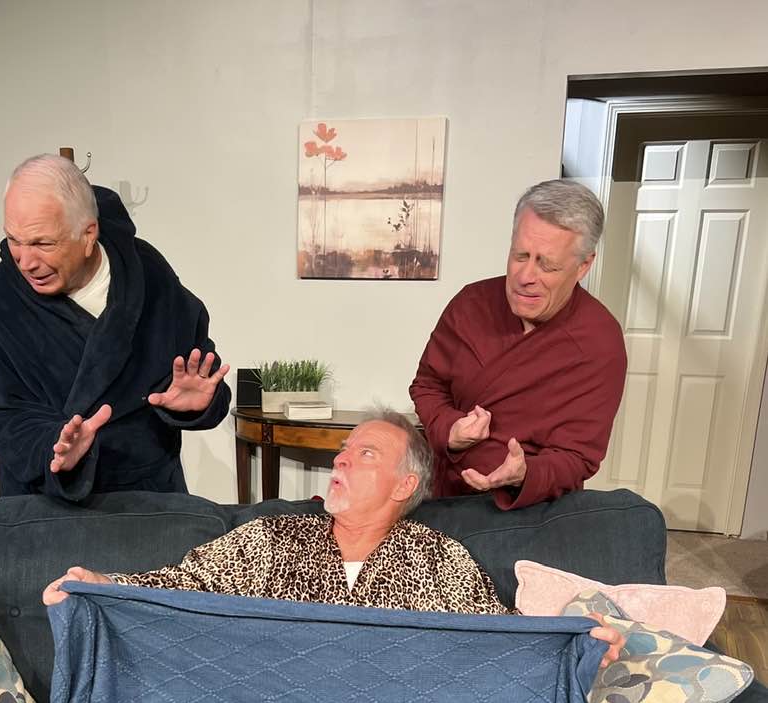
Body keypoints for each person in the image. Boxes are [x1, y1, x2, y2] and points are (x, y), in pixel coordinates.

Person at [44, 410, 625, 669]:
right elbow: (179, 587)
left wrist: (576, 648)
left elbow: (495, 642)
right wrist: (102, 586)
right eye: (343, 451)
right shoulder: (273, 539)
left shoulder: (438, 559)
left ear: (405, 484)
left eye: (364, 453)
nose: (341, 458)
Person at [0, 154, 230, 500]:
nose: (26, 262)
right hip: (43, 501)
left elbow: (198, 372)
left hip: (147, 496)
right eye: (14, 240)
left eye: (43, 243)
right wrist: (56, 446)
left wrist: (199, 403)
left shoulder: (148, 273)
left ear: (88, 234)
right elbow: (1, 411)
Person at [409, 179, 627, 510]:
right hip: (444, 496)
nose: (526, 275)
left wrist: (524, 474)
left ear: (584, 265)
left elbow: (578, 457)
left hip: (527, 513)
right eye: (519, 255)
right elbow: (428, 384)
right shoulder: (471, 303)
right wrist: (448, 428)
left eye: (547, 264)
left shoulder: (599, 341)